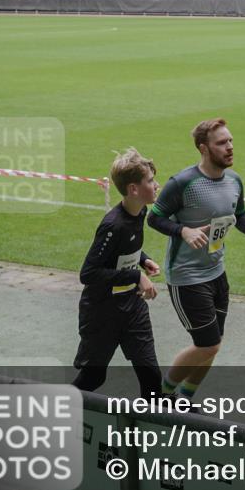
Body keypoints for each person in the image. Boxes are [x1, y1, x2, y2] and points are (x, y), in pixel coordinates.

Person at [147, 118, 245, 402]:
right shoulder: (182, 183)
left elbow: (239, 214)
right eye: (222, 143)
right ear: (203, 148)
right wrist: (183, 231)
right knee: (208, 345)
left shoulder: (234, 181)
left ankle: (185, 398)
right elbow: (154, 218)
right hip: (187, 276)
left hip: (217, 272)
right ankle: (161, 393)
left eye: (230, 141)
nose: (230, 147)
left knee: (214, 343)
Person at [72, 148, 162, 399]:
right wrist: (136, 276)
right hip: (102, 312)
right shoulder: (112, 225)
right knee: (93, 377)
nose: (156, 185)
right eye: (150, 181)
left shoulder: (141, 210)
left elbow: (124, 249)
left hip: (132, 307)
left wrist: (143, 260)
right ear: (133, 189)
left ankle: (143, 425)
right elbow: (89, 273)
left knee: (151, 377)